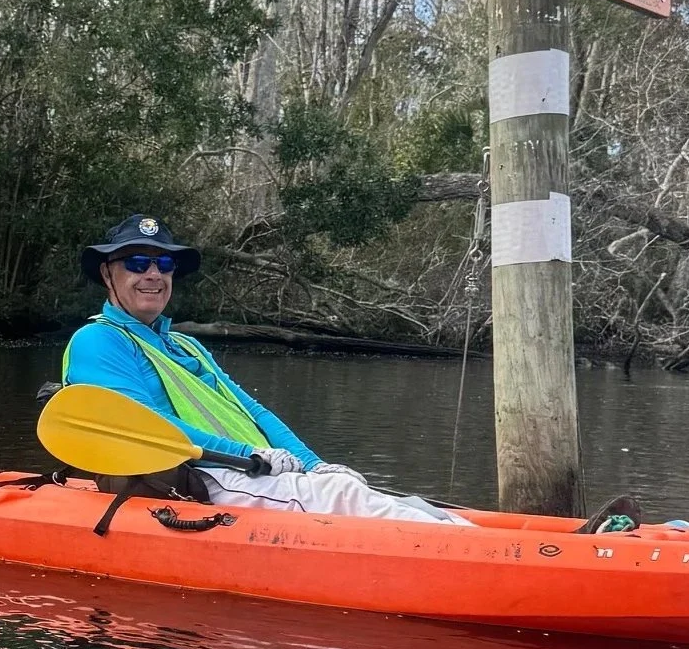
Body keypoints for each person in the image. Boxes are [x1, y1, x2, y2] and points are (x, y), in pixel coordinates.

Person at [62, 213, 468, 524]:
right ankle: (490, 563)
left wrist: (312, 463)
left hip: (240, 472)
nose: (153, 274)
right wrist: (247, 454)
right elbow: (144, 425)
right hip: (188, 479)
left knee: (342, 484)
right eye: (136, 262)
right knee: (346, 499)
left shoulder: (185, 344)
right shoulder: (99, 340)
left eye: (164, 263)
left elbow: (252, 411)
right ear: (107, 273)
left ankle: (477, 539)